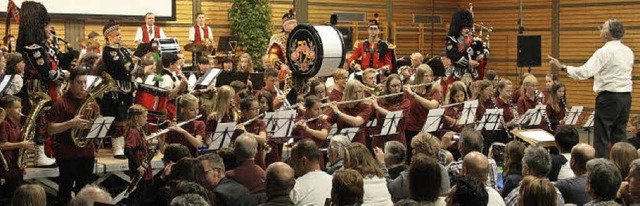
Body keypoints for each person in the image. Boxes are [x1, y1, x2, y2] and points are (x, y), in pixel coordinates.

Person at [548, 19, 632, 158]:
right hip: (626, 97)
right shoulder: (628, 51)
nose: (600, 29)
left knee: (602, 138)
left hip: (608, 97)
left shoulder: (603, 52)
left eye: (603, 28)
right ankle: (624, 168)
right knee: (620, 136)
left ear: (608, 34)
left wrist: (563, 67)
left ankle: (601, 171)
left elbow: (585, 72)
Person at [46, 69, 97, 205]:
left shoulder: (90, 100)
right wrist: (72, 123)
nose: (83, 86)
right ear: (71, 83)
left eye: (85, 82)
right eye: (79, 82)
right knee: (65, 190)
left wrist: (93, 125)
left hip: (87, 151)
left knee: (85, 191)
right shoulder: (60, 102)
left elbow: (96, 122)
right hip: (67, 153)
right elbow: (50, 130)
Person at [100, 20, 137, 159]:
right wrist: (129, 66)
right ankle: (117, 147)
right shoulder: (108, 51)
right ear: (110, 36)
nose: (120, 37)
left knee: (125, 117)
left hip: (127, 87)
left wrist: (130, 66)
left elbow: (130, 66)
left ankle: (123, 145)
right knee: (117, 117)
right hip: (115, 89)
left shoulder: (122, 50)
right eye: (117, 35)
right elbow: (122, 67)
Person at [403, 64, 442, 161]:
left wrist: (414, 95)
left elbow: (433, 105)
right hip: (412, 128)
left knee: (429, 155)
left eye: (431, 75)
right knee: (412, 156)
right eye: (426, 76)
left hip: (429, 128)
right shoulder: (411, 88)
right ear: (419, 77)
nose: (429, 79)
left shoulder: (434, 89)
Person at [0, 95, 35, 200]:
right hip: (8, 168)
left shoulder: (17, 124)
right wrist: (22, 144)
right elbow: (1, 145)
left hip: (16, 166)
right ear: (7, 110)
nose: (20, 110)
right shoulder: (4, 124)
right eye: (16, 107)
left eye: (20, 107)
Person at [369, 74, 411, 149]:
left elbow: (395, 115)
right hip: (380, 139)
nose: (397, 88)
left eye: (399, 85)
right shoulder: (380, 100)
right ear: (388, 87)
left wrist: (378, 108)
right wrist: (367, 104)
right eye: (393, 86)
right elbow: (369, 117)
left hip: (397, 139)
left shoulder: (405, 101)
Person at [445, 9, 489, 81]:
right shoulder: (452, 40)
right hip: (457, 74)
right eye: (465, 28)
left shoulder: (474, 39)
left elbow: (486, 49)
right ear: (459, 28)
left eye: (468, 28)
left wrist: (483, 55)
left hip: (473, 74)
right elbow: (453, 55)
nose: (467, 30)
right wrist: (468, 62)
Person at [123, 104, 153, 205]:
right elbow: (128, 150)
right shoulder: (132, 132)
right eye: (144, 116)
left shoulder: (139, 130)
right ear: (136, 117)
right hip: (139, 169)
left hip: (144, 167)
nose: (146, 119)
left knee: (143, 195)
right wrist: (138, 166)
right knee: (138, 196)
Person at [327, 80, 373, 144]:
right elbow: (327, 124)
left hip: (358, 144)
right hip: (342, 143)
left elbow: (357, 122)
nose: (357, 95)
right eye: (354, 92)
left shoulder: (366, 106)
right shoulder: (340, 106)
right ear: (348, 93)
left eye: (359, 92)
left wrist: (338, 112)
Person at [289, 138, 333, 205]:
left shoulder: (295, 187)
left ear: (303, 161)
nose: (292, 165)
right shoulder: (334, 182)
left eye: (293, 161)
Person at [291, 96, 330, 167]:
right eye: (316, 109)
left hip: (317, 158)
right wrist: (294, 127)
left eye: (320, 109)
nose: (320, 111)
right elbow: (287, 136)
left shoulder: (322, 120)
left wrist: (307, 129)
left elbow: (323, 135)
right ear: (307, 110)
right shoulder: (299, 120)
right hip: (301, 159)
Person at [267, 10, 296, 85]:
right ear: (285, 26)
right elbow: (272, 55)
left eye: (294, 23)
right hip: (285, 74)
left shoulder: (300, 36)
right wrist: (281, 65)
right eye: (290, 23)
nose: (293, 25)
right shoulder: (278, 38)